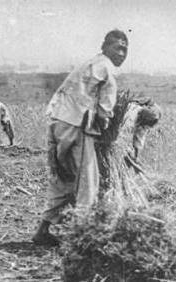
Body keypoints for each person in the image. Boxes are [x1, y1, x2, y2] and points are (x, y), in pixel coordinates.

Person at [32, 29, 128, 245]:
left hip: (58, 121)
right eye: (117, 47)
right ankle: (82, 238)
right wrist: (104, 130)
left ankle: (43, 230)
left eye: (125, 49)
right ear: (105, 47)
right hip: (78, 125)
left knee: (64, 178)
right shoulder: (108, 68)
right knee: (88, 182)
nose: (121, 53)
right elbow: (106, 108)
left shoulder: (90, 63)